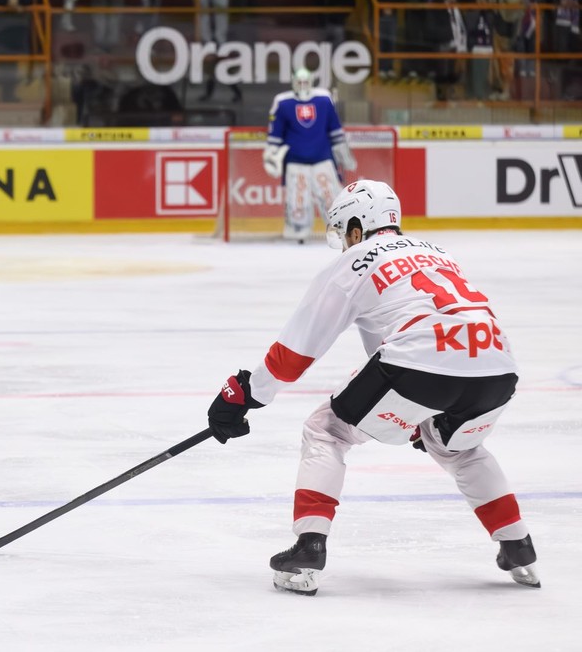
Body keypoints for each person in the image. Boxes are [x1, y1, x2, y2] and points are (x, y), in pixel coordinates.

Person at [206, 179, 539, 596]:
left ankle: (310, 546)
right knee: (459, 447)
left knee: (325, 430)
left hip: (422, 361)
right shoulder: (438, 252)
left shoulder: (355, 261)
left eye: (344, 233)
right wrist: (420, 413)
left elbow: (296, 352)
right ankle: (518, 546)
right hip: (498, 369)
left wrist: (244, 393)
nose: (344, 244)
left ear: (358, 229)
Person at [263, 67, 357, 242]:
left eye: (305, 82)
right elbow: (275, 133)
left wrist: (344, 153)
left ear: (311, 82)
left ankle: (339, 229)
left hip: (322, 158)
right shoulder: (283, 102)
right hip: (295, 160)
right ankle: (298, 230)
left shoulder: (323, 99)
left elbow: (335, 130)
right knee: (298, 197)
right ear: (293, 82)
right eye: (299, 82)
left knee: (330, 195)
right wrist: (271, 155)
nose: (302, 85)